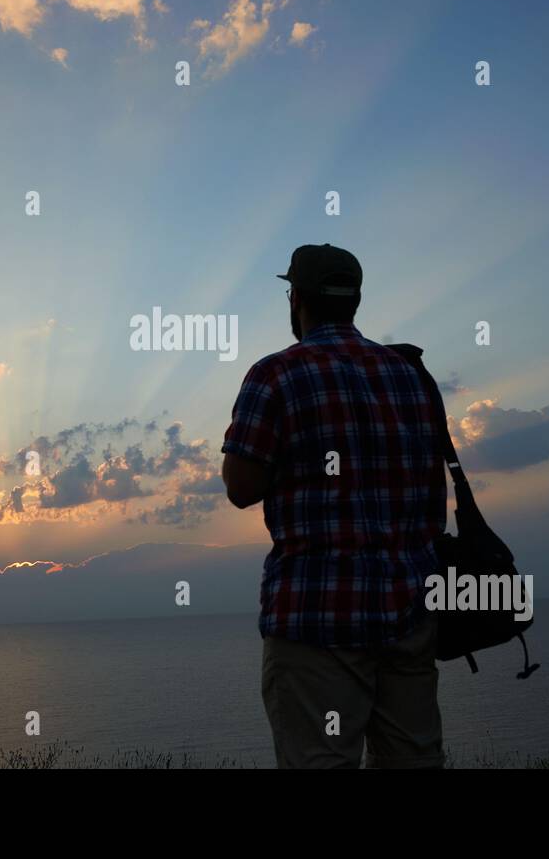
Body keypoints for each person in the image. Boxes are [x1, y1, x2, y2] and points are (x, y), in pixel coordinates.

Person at [222, 244, 446, 769]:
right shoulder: (411, 375)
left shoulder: (276, 375)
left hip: (316, 616)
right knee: (414, 760)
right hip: (409, 613)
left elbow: (240, 486)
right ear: (356, 299)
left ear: (296, 297)